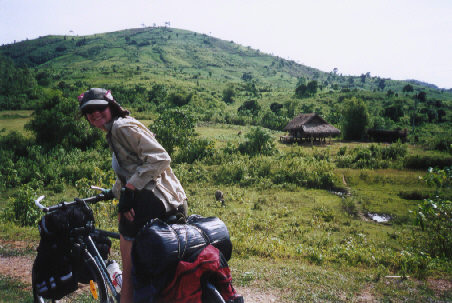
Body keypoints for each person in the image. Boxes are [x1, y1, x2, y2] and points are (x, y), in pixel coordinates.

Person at [78, 88, 188, 303]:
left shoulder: (121, 127)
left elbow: (160, 158)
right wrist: (117, 191)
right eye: (88, 111)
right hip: (174, 200)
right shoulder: (117, 129)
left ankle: (127, 298)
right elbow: (133, 169)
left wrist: (129, 190)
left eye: (99, 108)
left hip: (157, 200)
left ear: (111, 107)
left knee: (126, 250)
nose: (94, 114)